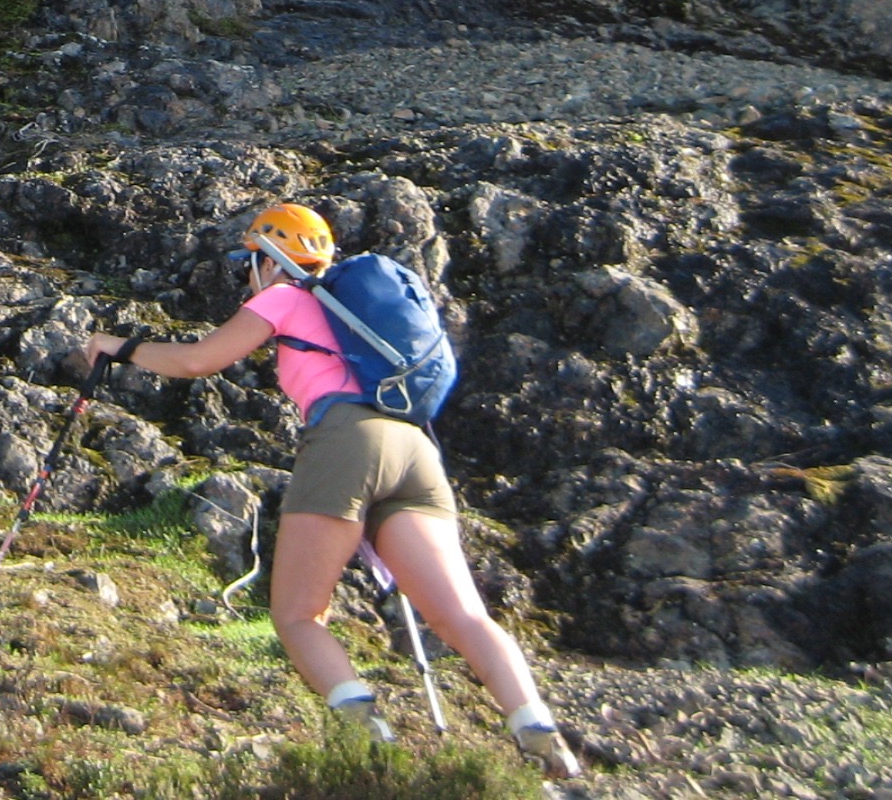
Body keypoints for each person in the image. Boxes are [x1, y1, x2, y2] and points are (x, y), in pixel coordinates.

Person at [78, 202, 580, 777]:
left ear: (271, 256)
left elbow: (198, 361)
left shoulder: (285, 297)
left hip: (346, 440)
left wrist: (121, 347)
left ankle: (370, 738)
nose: (246, 271)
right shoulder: (350, 314)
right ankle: (536, 725)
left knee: (297, 615)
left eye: (249, 259)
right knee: (464, 616)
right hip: (416, 449)